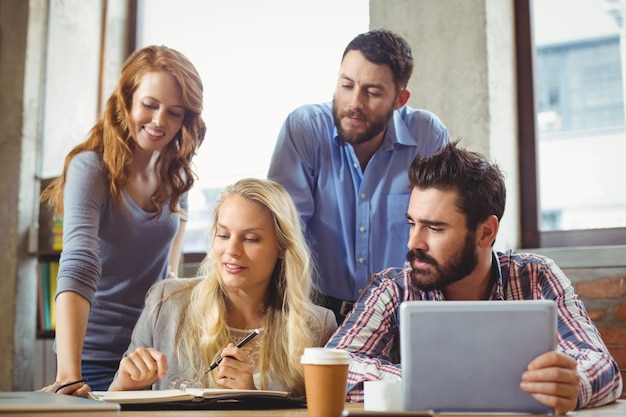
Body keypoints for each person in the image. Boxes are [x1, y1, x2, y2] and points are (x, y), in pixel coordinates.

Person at [325, 142, 623, 414]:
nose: (413, 243)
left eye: (435, 228)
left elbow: (600, 365)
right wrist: (437, 381)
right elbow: (335, 365)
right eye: (412, 224)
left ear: (485, 232)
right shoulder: (392, 288)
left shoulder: (536, 276)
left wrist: (574, 384)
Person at [39, 45, 206, 395]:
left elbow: (168, 278)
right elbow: (79, 264)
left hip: (153, 358)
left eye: (174, 113)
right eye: (149, 105)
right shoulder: (91, 169)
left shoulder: (178, 179)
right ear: (126, 99)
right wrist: (69, 375)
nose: (160, 121)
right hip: (93, 359)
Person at [267, 29, 451, 324]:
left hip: (402, 317)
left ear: (399, 99)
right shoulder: (305, 130)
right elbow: (283, 231)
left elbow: (445, 232)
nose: (354, 102)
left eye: (372, 92)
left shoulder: (427, 135)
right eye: (346, 85)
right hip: (317, 316)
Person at [109, 178, 338, 396]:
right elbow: (114, 406)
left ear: (281, 247)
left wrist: (250, 400)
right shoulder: (167, 302)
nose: (232, 250)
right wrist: (123, 388)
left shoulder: (317, 327)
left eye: (250, 238)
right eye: (224, 235)